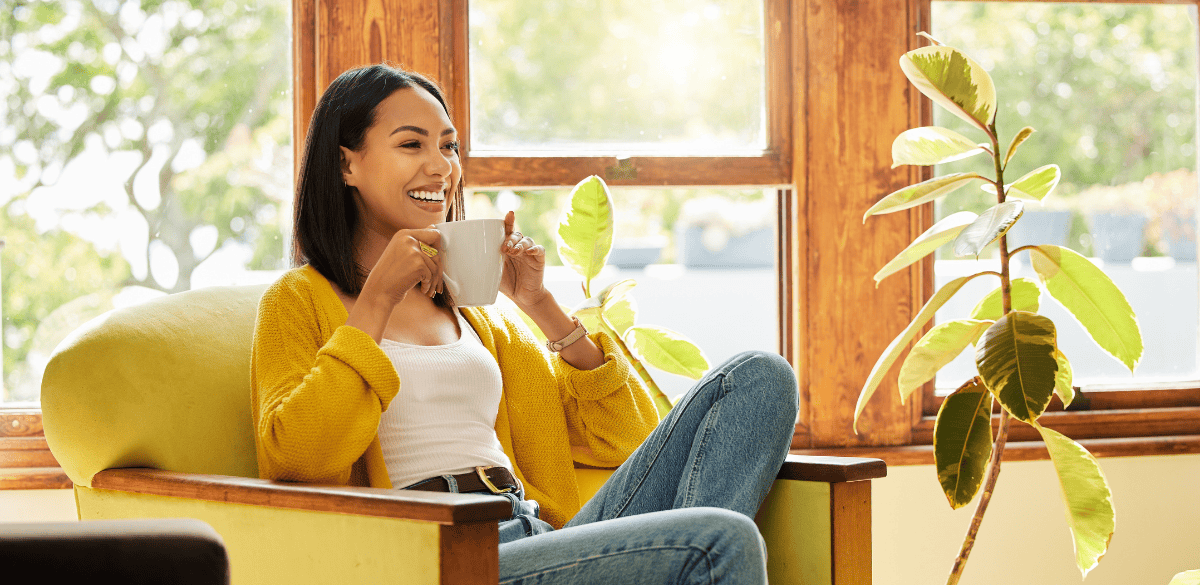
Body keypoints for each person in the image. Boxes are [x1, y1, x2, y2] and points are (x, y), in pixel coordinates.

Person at [251, 63, 799, 585]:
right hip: (444, 560)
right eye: (411, 143)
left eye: (449, 146)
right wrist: (376, 301)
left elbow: (627, 443)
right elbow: (297, 457)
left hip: (539, 536)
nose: (441, 166)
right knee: (719, 539)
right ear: (347, 164)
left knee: (761, 376)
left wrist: (539, 304)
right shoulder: (299, 301)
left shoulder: (480, 316)